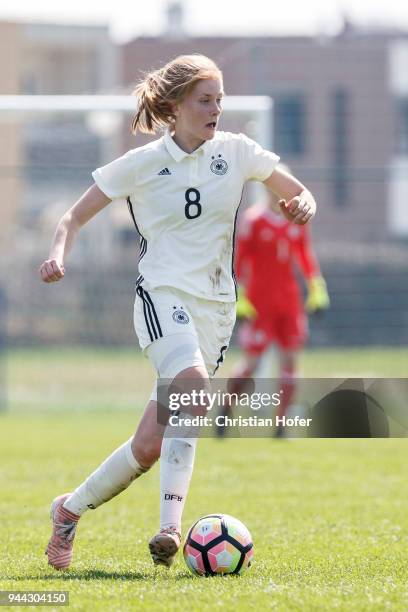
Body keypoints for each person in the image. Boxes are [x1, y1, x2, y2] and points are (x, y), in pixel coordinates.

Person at [39, 54, 316, 571]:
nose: (215, 110)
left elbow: (298, 194)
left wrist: (303, 206)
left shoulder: (235, 152)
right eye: (204, 100)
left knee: (147, 447)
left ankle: (68, 509)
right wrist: (58, 254)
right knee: (192, 384)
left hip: (215, 308)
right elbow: (73, 216)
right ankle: (170, 528)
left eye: (220, 100)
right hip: (161, 296)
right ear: (174, 107)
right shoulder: (142, 163)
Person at [217, 178, 329, 438]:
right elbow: (240, 259)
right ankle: (226, 411)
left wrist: (316, 288)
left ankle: (281, 425)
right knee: (252, 362)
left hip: (289, 302)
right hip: (260, 302)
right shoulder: (253, 221)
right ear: (266, 190)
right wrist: (241, 297)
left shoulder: (297, 221)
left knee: (290, 360)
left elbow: (304, 254)